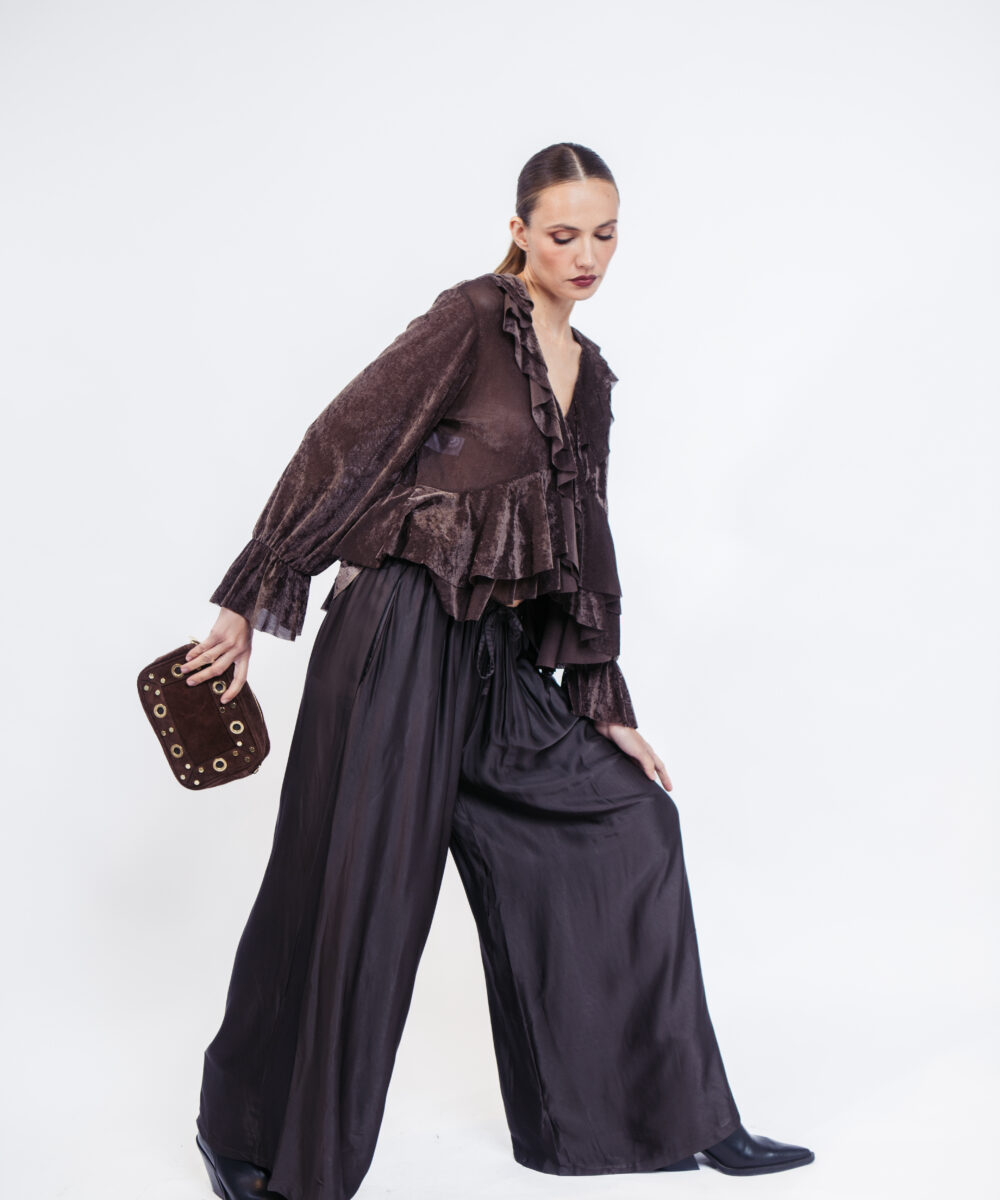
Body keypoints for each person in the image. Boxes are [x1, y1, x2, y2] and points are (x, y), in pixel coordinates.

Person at [188, 143, 815, 1200]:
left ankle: (671, 1118)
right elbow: (344, 442)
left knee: (631, 824)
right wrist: (250, 594)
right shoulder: (470, 321)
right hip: (398, 631)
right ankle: (253, 1138)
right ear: (519, 230)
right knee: (354, 896)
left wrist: (602, 702)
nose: (586, 255)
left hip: (499, 657)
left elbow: (584, 538)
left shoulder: (591, 375)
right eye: (563, 234)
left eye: (604, 234)